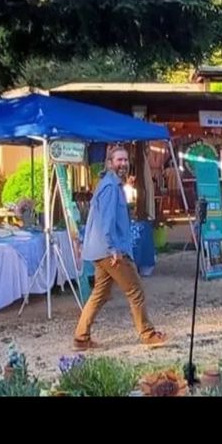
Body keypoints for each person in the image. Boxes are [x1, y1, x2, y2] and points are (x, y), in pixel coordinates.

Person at [73, 145, 168, 350]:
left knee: (100, 294)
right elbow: (106, 222)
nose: (123, 164)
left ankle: (81, 338)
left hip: (101, 250)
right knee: (135, 291)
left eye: (125, 160)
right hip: (111, 251)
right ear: (110, 163)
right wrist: (113, 249)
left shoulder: (110, 184)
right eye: (119, 160)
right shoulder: (110, 187)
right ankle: (148, 334)